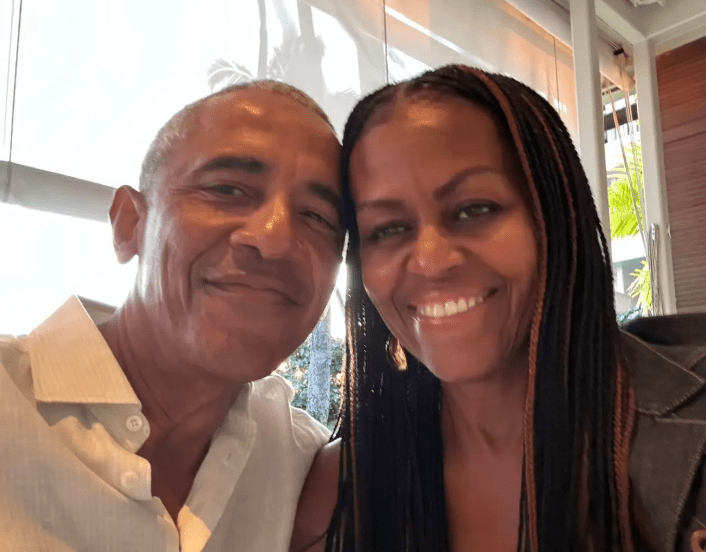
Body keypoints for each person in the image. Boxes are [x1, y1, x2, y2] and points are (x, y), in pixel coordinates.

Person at [291, 65, 706, 552]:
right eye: (387, 229)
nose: (431, 261)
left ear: (554, 216)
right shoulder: (336, 496)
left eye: (474, 209)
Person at [0, 80, 345, 551]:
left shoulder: (306, 467)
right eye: (227, 189)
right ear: (129, 224)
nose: (276, 240)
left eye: (319, 217)